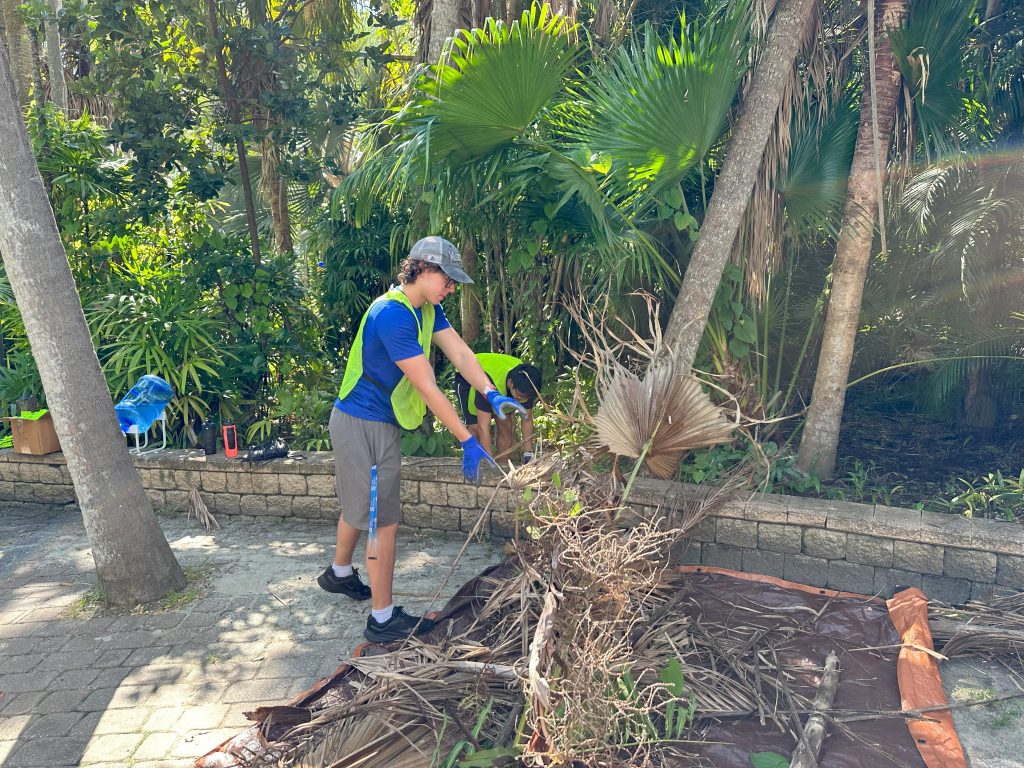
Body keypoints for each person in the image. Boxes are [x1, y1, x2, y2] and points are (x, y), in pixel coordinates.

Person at [317, 236, 528, 643]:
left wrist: (490, 391)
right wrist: (467, 438)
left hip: (366, 423)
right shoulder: (391, 316)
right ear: (423, 269)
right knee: (383, 520)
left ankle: (339, 573)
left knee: (360, 502)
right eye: (448, 280)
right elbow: (428, 387)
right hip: (364, 424)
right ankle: (382, 620)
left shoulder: (427, 309)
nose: (451, 288)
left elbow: (463, 356)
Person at [454, 353, 542, 463]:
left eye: (525, 397)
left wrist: (528, 454)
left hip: (500, 378)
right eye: (519, 395)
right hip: (468, 375)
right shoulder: (489, 384)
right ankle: (480, 463)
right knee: (475, 428)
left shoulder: (527, 384)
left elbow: (527, 420)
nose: (521, 399)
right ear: (510, 383)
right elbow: (483, 427)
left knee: (505, 425)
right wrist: (489, 461)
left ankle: (502, 464)